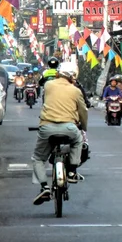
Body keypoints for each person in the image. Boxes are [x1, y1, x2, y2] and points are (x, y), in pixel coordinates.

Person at [32, 64, 88, 205]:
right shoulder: (75, 91)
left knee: (38, 158)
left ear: (58, 73)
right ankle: (72, 171)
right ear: (73, 77)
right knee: (78, 141)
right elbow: (83, 111)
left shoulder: (48, 86)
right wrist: (83, 127)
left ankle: (44, 187)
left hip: (46, 127)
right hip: (69, 128)